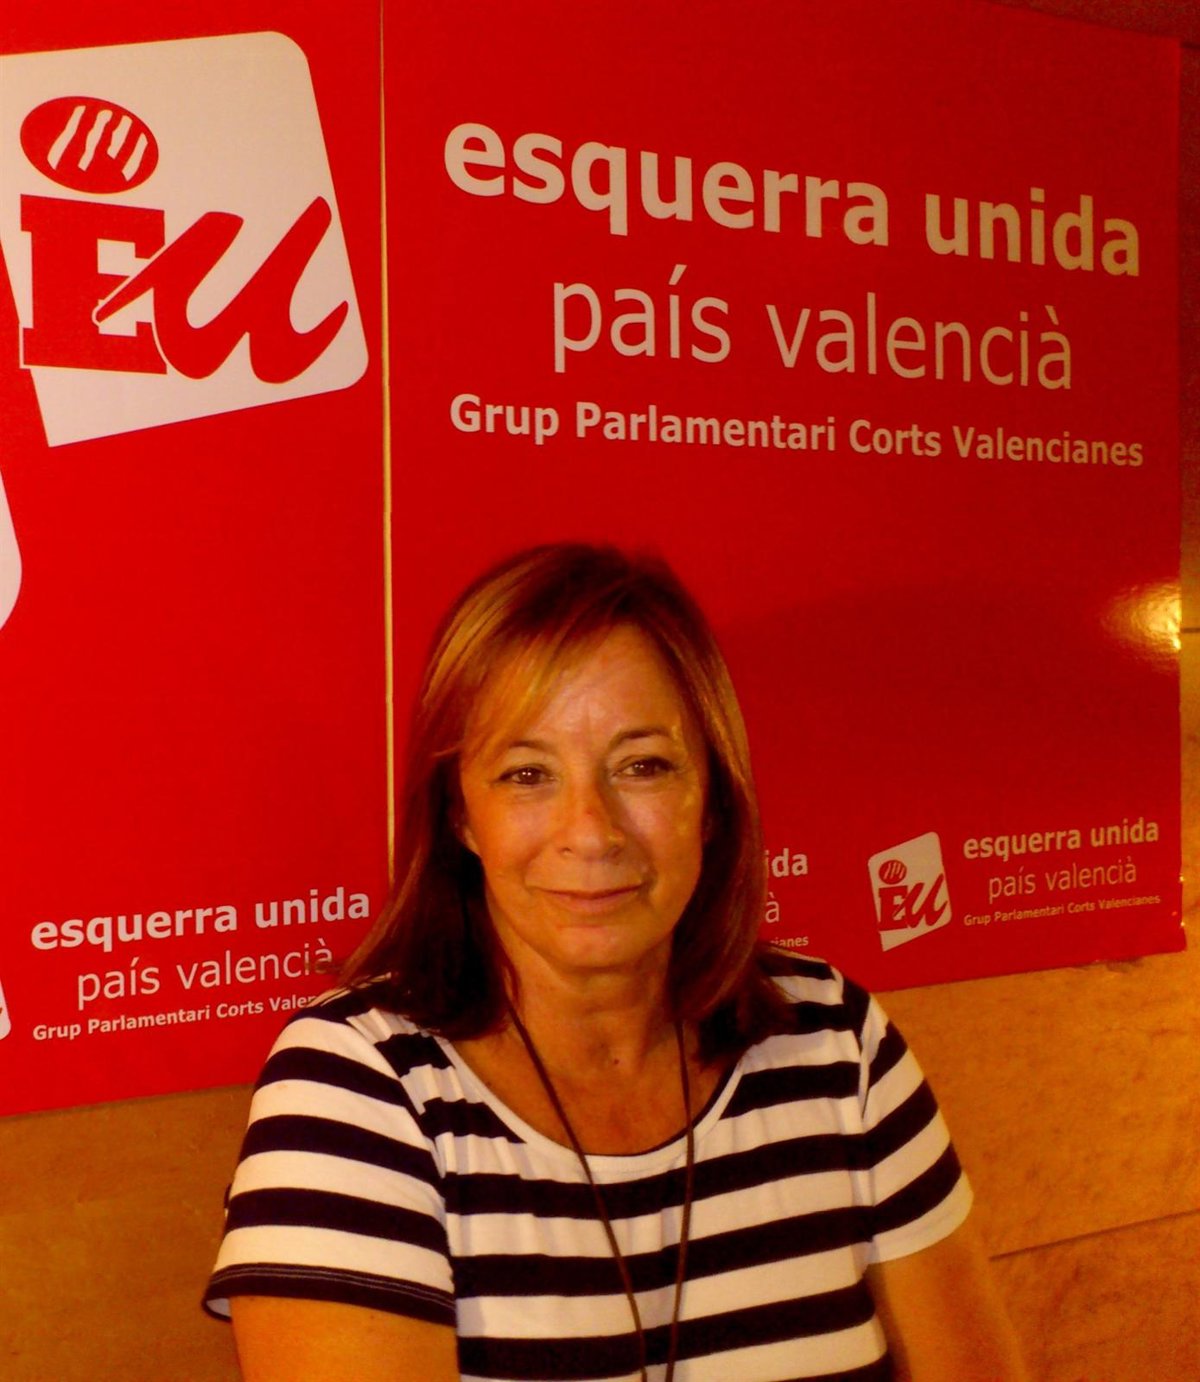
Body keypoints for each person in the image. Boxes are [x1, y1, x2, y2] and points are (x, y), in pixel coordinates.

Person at [206, 543, 1026, 1382]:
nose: (591, 830)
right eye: (527, 774)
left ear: (712, 799)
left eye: (643, 766)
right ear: (461, 817)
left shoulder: (839, 1043)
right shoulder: (357, 1087)